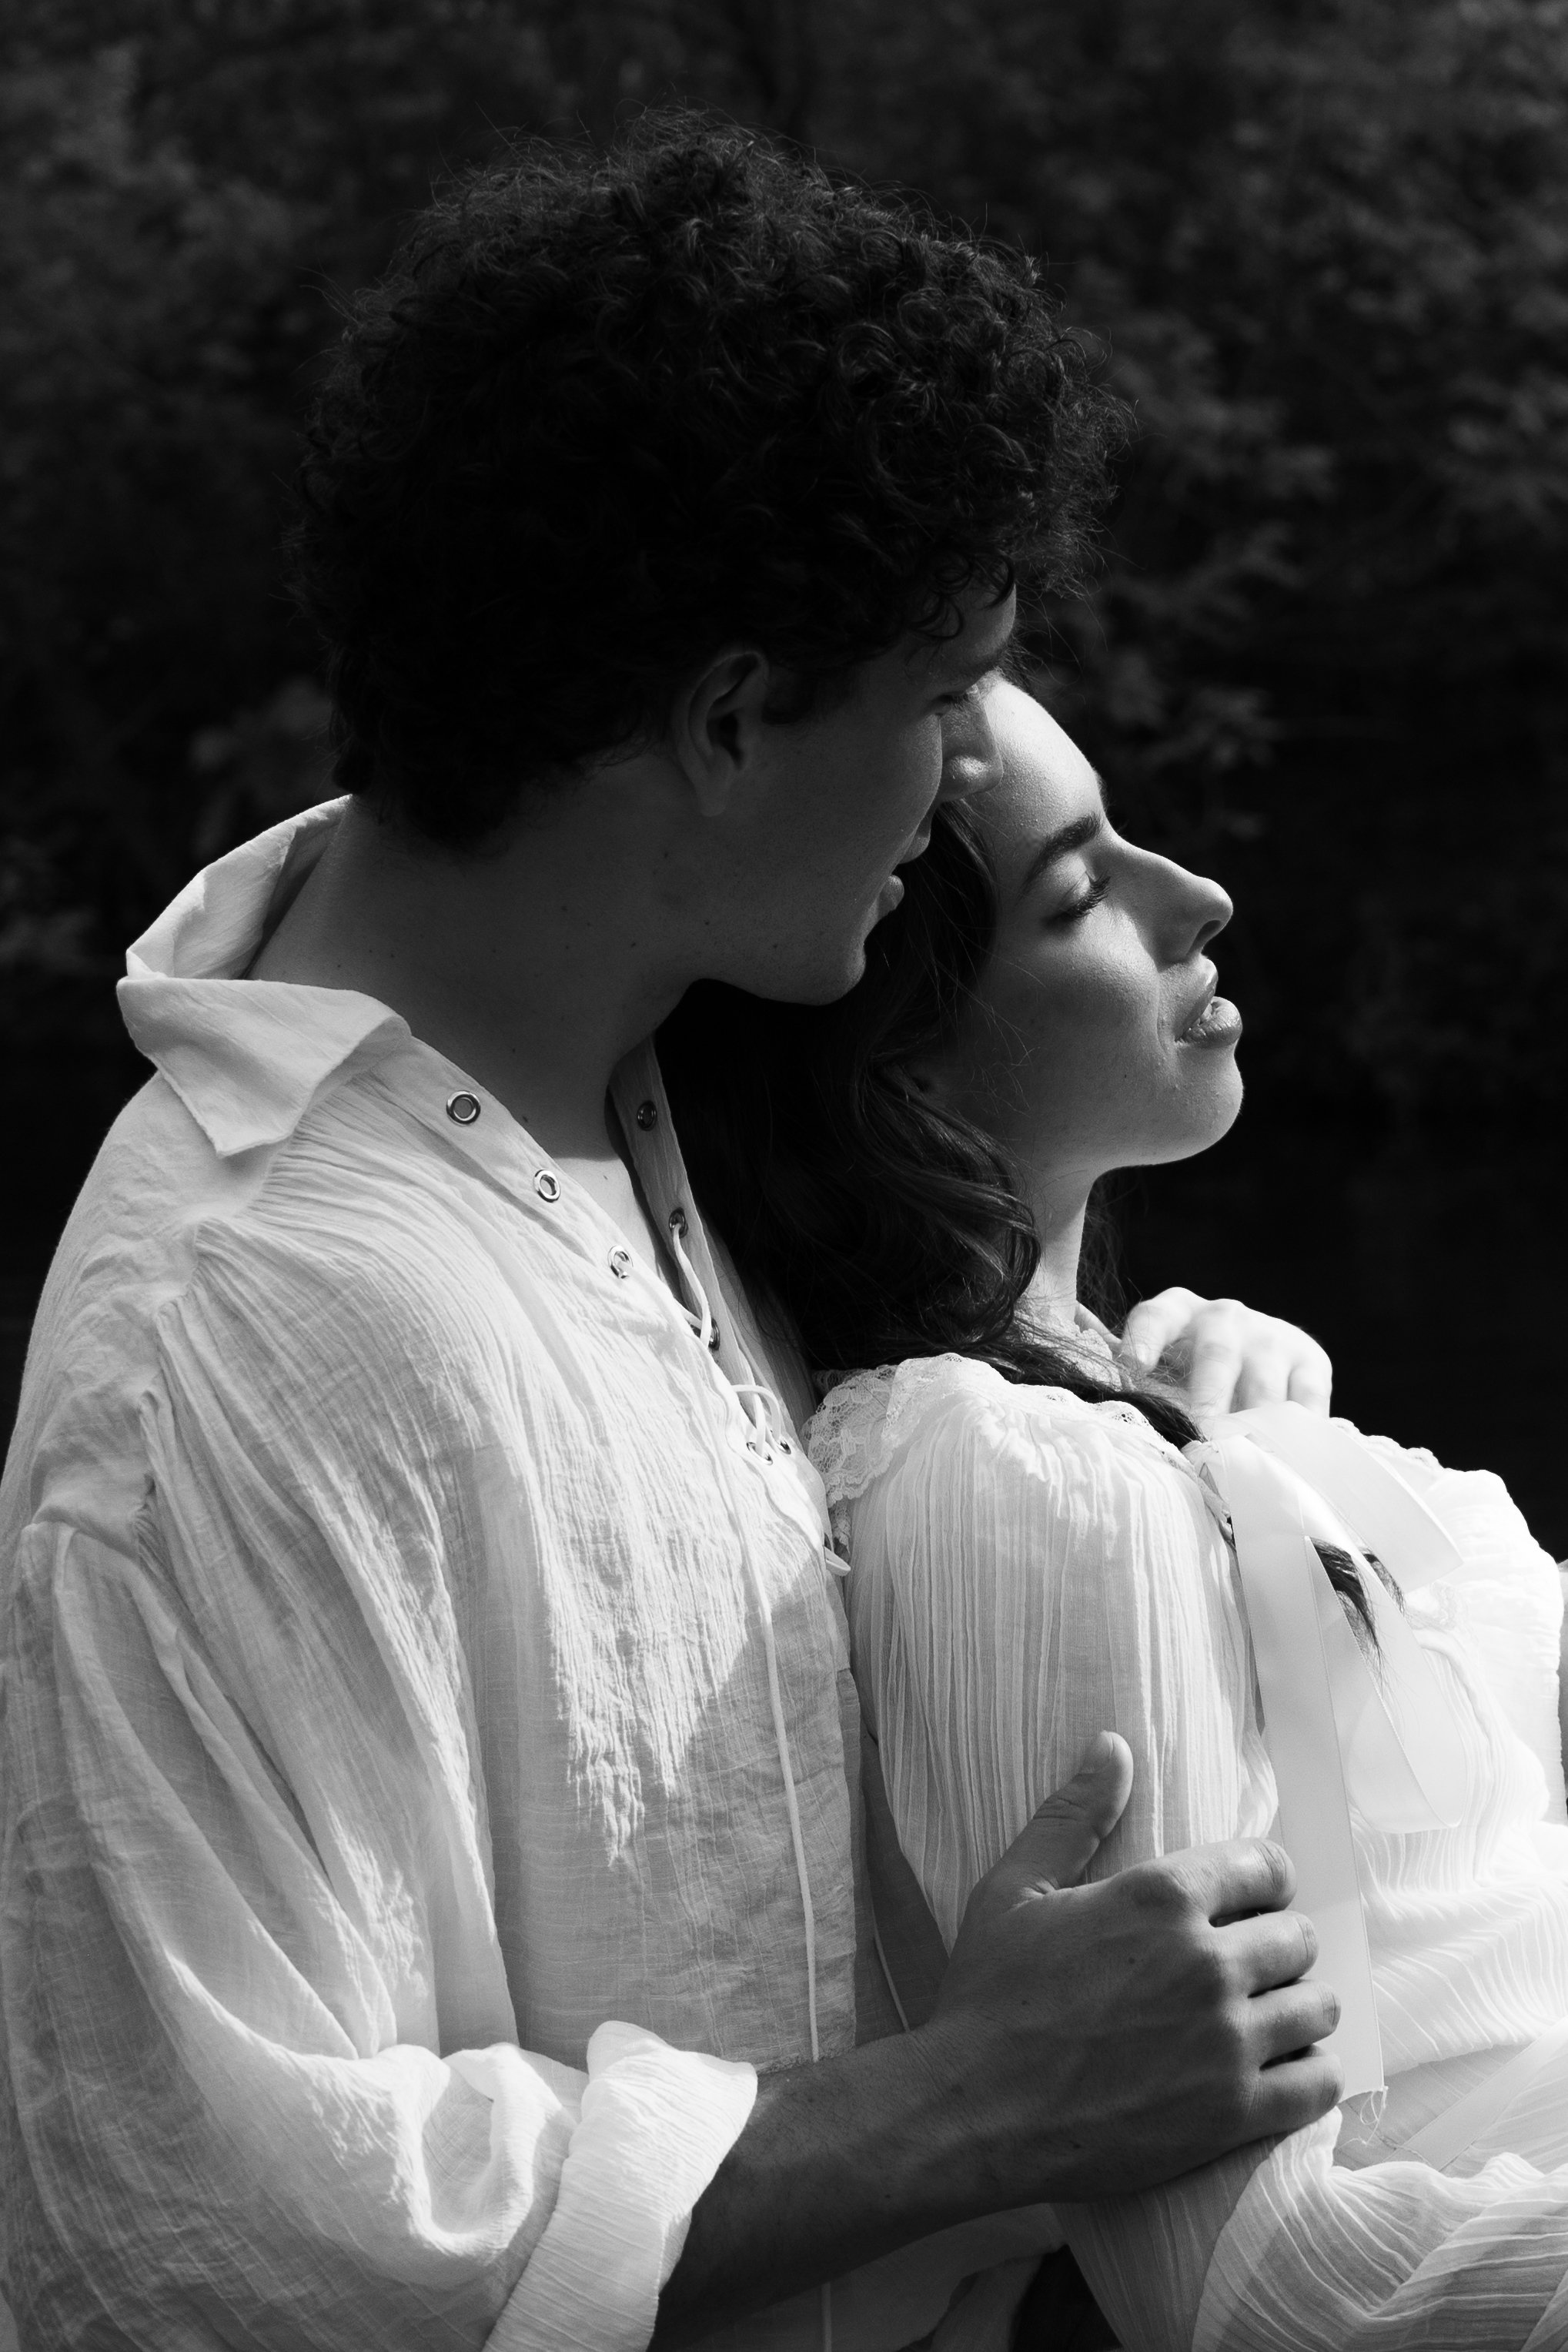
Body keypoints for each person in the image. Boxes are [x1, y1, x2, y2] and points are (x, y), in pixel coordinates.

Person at [0, 121, 1342, 2351]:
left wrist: (1162, 1427)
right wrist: (960, 2110)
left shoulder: (655, 1090)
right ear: (726, 722)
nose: (946, 794)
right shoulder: (240, 1327)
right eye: (936, 700)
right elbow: (208, 2231)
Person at [660, 675, 1568, 2349]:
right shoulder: (996, 1488)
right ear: (904, 1069)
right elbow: (1259, 2291)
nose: (1196, 892)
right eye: (1077, 889)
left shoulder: (1178, 1406)